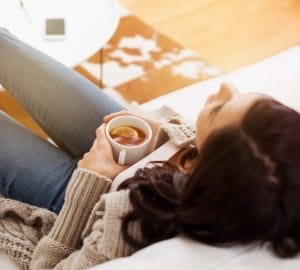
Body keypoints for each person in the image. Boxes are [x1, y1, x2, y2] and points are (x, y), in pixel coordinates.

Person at [0, 27, 300, 270]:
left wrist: (90, 179)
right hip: (135, 147)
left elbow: (50, 266)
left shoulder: (129, 227)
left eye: (220, 108)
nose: (226, 87)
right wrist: (162, 135)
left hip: (80, 198)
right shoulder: (268, 173)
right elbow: (203, 140)